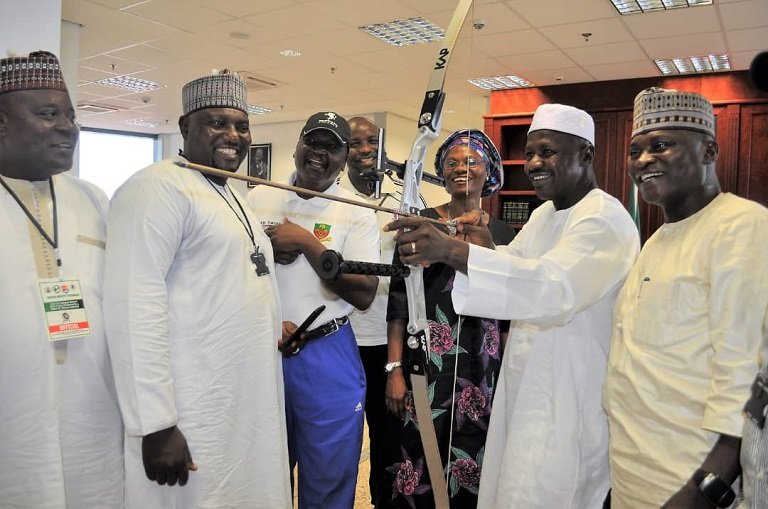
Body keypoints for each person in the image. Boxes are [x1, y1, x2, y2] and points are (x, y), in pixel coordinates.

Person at [385, 104, 640, 508]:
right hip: (526, 389)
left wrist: (451, 249)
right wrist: (484, 246)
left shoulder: (603, 219)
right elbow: (512, 265)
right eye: (531, 152)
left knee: (555, 490)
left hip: (569, 396)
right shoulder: (543, 216)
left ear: (586, 155)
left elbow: (550, 287)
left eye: (548, 152)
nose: (534, 163)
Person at [103, 70, 292, 508]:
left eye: (242, 126)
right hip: (190, 406)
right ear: (185, 126)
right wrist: (156, 422)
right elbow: (134, 305)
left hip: (243, 398)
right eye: (217, 123)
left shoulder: (230, 193)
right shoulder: (156, 187)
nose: (233, 135)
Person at [603, 87, 768, 508]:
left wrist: (706, 487)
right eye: (635, 150)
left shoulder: (742, 226)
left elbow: (745, 371)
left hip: (690, 481)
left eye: (661, 146)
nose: (643, 161)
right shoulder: (657, 238)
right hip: (633, 472)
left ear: (709, 150)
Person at [0, 51, 124, 507]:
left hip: (91, 410)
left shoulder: (94, 199)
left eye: (71, 115)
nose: (68, 127)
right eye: (48, 114)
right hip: (12, 413)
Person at [246, 111, 380, 508]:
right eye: (313, 142)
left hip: (327, 351)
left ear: (344, 156)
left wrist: (307, 243)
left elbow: (364, 293)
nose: (320, 153)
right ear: (298, 145)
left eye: (332, 147)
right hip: (266, 346)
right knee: (263, 467)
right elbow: (236, 271)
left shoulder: (356, 210)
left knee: (330, 474)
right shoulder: (259, 197)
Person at [379, 129, 515, 508]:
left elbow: (507, 309)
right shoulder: (421, 222)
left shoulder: (502, 232)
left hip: (481, 367)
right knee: (422, 451)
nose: (461, 168)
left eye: (471, 160)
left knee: (474, 455)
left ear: (488, 170)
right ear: (441, 171)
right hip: (426, 361)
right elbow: (398, 301)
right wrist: (394, 368)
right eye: (452, 162)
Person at [340, 116, 426, 506]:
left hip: (387, 343)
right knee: (339, 442)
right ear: (343, 151)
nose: (364, 150)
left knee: (389, 444)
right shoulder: (331, 199)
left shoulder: (405, 201)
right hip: (341, 341)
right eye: (355, 143)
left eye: (372, 142)